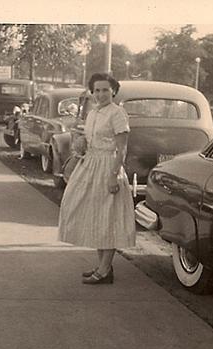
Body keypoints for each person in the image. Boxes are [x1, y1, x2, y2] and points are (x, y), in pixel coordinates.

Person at [58, 73, 136, 285]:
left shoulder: (117, 114)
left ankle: (104, 270)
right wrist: (82, 142)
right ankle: (103, 266)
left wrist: (113, 176)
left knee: (108, 217)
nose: (101, 94)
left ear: (114, 91)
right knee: (94, 215)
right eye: (97, 90)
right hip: (91, 165)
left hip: (108, 166)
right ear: (92, 92)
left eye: (105, 90)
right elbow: (91, 138)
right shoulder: (93, 113)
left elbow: (122, 149)